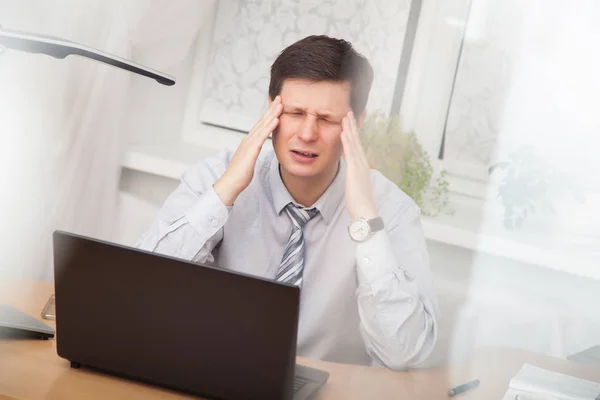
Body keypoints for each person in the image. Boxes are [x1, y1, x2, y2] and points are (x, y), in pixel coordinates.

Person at [136, 35, 439, 370]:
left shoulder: (391, 209)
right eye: (295, 112)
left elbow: (406, 354)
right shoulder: (218, 175)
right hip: (213, 372)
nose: (307, 134)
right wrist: (223, 194)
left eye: (326, 119)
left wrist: (366, 222)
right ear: (272, 107)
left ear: (357, 122)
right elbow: (143, 290)